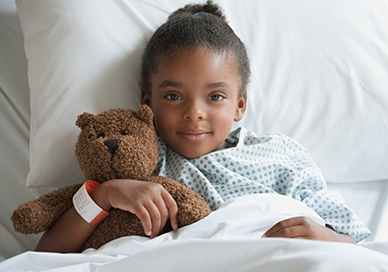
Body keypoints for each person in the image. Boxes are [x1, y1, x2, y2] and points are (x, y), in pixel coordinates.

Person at [36, 0, 370, 253]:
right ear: (147, 102)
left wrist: (330, 238)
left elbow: (350, 237)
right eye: (173, 95)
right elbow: (48, 254)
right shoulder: (136, 158)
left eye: (215, 96)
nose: (194, 113)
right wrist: (106, 194)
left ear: (240, 104)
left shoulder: (277, 154)